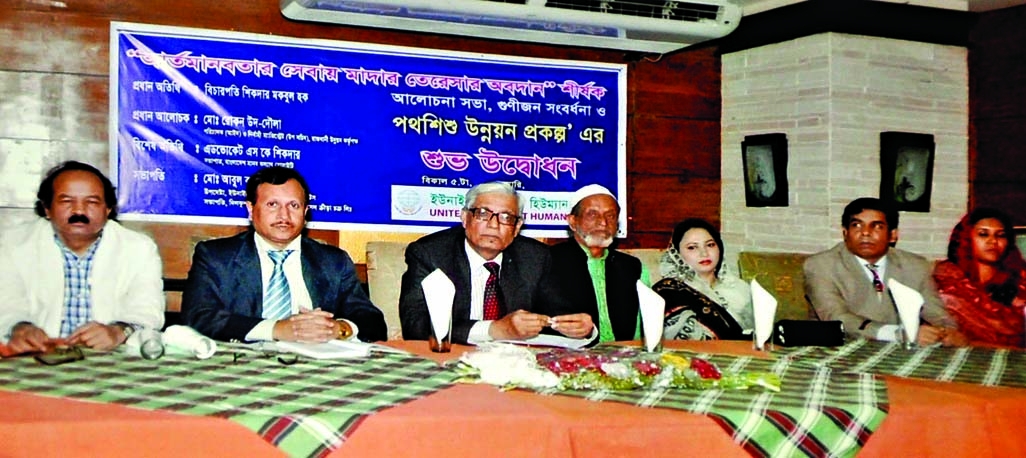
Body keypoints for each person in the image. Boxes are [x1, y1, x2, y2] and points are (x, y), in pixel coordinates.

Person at [182, 166, 386, 342]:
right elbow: (198, 317)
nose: (284, 215)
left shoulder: (333, 261)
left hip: (316, 362)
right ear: (251, 209)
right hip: (243, 360)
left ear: (305, 212)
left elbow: (372, 321)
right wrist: (276, 329)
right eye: (273, 205)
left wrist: (338, 328)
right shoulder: (216, 256)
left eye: (294, 206)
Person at [399, 181, 594, 344]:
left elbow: (558, 316)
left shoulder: (535, 257)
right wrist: (493, 329)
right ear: (465, 218)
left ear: (517, 227)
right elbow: (415, 325)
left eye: (506, 217)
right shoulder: (430, 254)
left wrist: (581, 328)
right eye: (483, 214)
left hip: (514, 362)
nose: (493, 225)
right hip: (452, 356)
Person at [0, 161, 164, 353]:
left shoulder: (139, 248)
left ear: (108, 209)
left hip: (110, 357)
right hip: (38, 354)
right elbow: (7, 302)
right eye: (66, 201)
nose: (79, 211)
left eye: (92, 202)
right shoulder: (13, 244)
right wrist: (20, 328)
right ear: (47, 209)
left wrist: (118, 331)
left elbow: (148, 310)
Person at [804, 197, 968, 346]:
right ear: (845, 233)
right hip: (837, 349)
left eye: (877, 226)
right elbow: (836, 317)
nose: (865, 233)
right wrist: (898, 334)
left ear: (893, 235)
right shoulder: (820, 266)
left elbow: (936, 313)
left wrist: (946, 332)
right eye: (857, 225)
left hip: (899, 352)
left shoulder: (915, 266)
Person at [549, 184, 649, 342]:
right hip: (569, 354)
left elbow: (642, 329)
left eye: (610, 216)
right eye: (592, 214)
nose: (603, 222)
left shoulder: (632, 267)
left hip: (623, 353)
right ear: (573, 221)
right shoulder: (547, 262)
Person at [933, 208, 1026, 347]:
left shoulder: (1020, 280)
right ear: (966, 239)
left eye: (1000, 235)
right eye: (983, 234)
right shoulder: (948, 282)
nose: (993, 241)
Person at [654, 218, 751, 340]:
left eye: (710, 245)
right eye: (692, 247)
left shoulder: (740, 289)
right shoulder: (671, 292)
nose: (704, 253)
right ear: (677, 254)